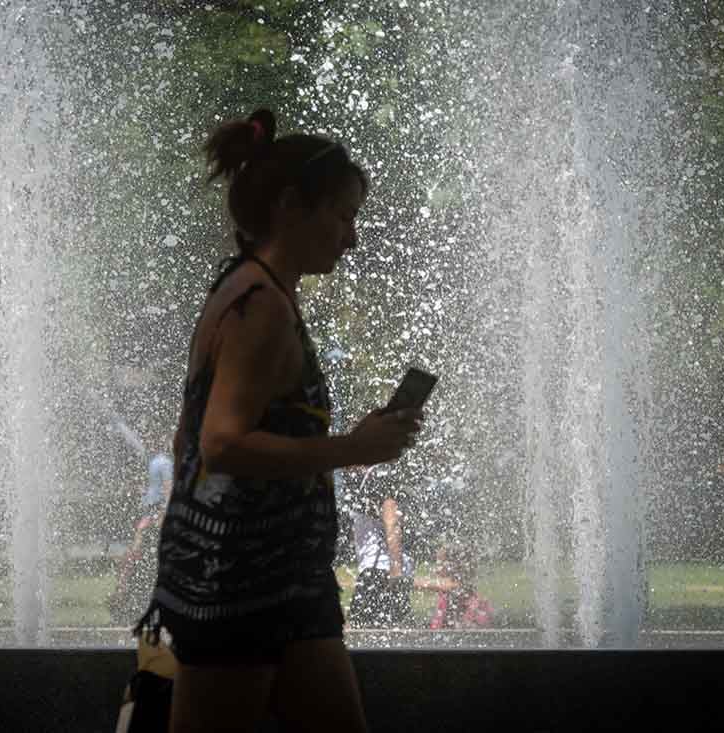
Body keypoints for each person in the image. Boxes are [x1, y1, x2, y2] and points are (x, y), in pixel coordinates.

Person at [133, 108, 421, 733]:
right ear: (293, 206)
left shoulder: (248, 289)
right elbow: (222, 443)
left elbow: (192, 437)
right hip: (240, 580)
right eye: (342, 215)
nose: (351, 237)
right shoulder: (259, 306)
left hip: (280, 577)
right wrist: (351, 448)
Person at [109, 450, 173, 625]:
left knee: (144, 563)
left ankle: (135, 606)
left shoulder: (163, 462)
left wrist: (163, 513)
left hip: (155, 514)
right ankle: (134, 605)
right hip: (153, 516)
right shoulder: (156, 461)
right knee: (140, 562)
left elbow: (167, 488)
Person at [347, 464, 414, 628]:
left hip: (381, 572)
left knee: (359, 635)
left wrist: (395, 572)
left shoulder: (380, 474)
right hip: (390, 570)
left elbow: (392, 523)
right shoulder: (381, 475)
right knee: (391, 636)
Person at [416, 542, 494, 630]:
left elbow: (421, 583)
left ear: (455, 567)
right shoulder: (447, 596)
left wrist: (405, 582)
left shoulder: (460, 592)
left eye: (440, 565)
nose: (436, 570)